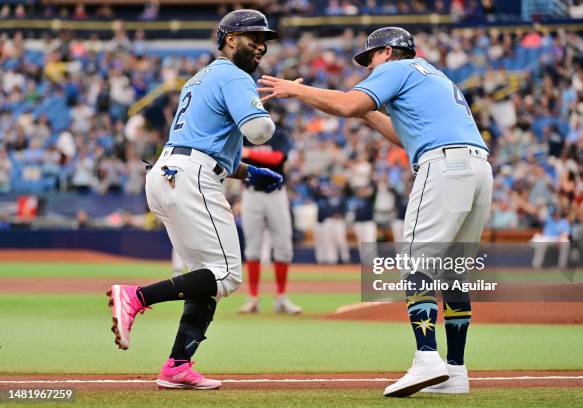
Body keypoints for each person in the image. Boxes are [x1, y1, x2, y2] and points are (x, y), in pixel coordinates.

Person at [258, 27, 492, 397]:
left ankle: (427, 358)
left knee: (418, 264)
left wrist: (296, 89)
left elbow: (347, 103)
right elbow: (404, 135)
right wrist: (366, 116)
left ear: (386, 51)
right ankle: (456, 371)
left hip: (443, 166)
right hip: (477, 168)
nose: (368, 67)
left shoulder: (396, 68)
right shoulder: (432, 74)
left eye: (369, 59)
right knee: (452, 273)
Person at [106, 9, 283, 391]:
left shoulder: (200, 78)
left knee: (205, 276)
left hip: (170, 172)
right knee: (227, 275)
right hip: (192, 177)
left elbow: (205, 143)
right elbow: (258, 132)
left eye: (265, 39)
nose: (262, 46)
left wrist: (248, 172)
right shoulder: (233, 74)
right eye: (254, 37)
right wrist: (267, 117)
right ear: (230, 40)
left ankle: (178, 364)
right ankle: (136, 297)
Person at [239, 109, 302, 314]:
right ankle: (253, 298)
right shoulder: (246, 135)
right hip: (252, 193)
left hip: (276, 193)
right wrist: (248, 154)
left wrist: (249, 154)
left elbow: (277, 159)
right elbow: (237, 157)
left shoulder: (279, 135)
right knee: (253, 248)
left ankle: (281, 297)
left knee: (283, 246)